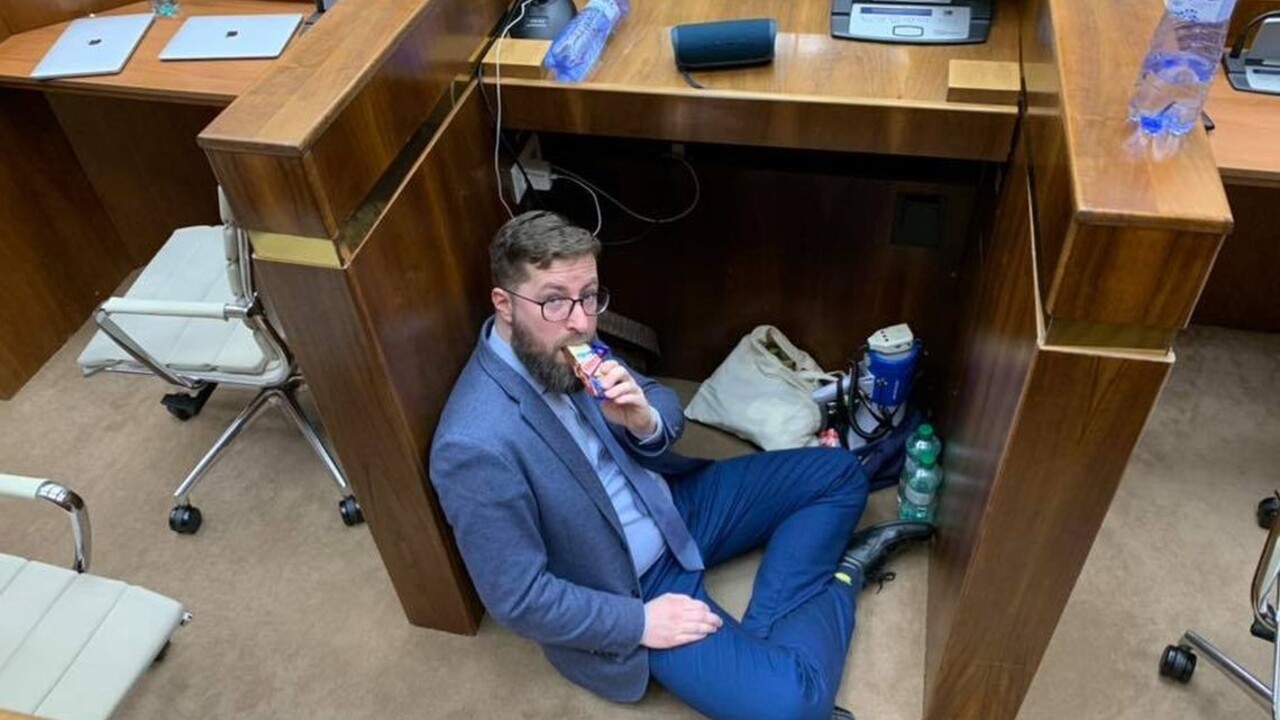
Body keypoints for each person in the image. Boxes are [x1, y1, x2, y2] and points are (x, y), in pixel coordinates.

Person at [429, 211, 933, 720]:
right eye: (554, 299)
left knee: (841, 473)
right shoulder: (473, 444)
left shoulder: (567, 335)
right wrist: (640, 624)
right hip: (632, 583)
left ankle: (761, 652)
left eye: (590, 296)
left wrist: (643, 420)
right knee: (791, 707)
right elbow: (518, 598)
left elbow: (665, 405)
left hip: (675, 506)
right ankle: (846, 576)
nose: (580, 321)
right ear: (504, 304)